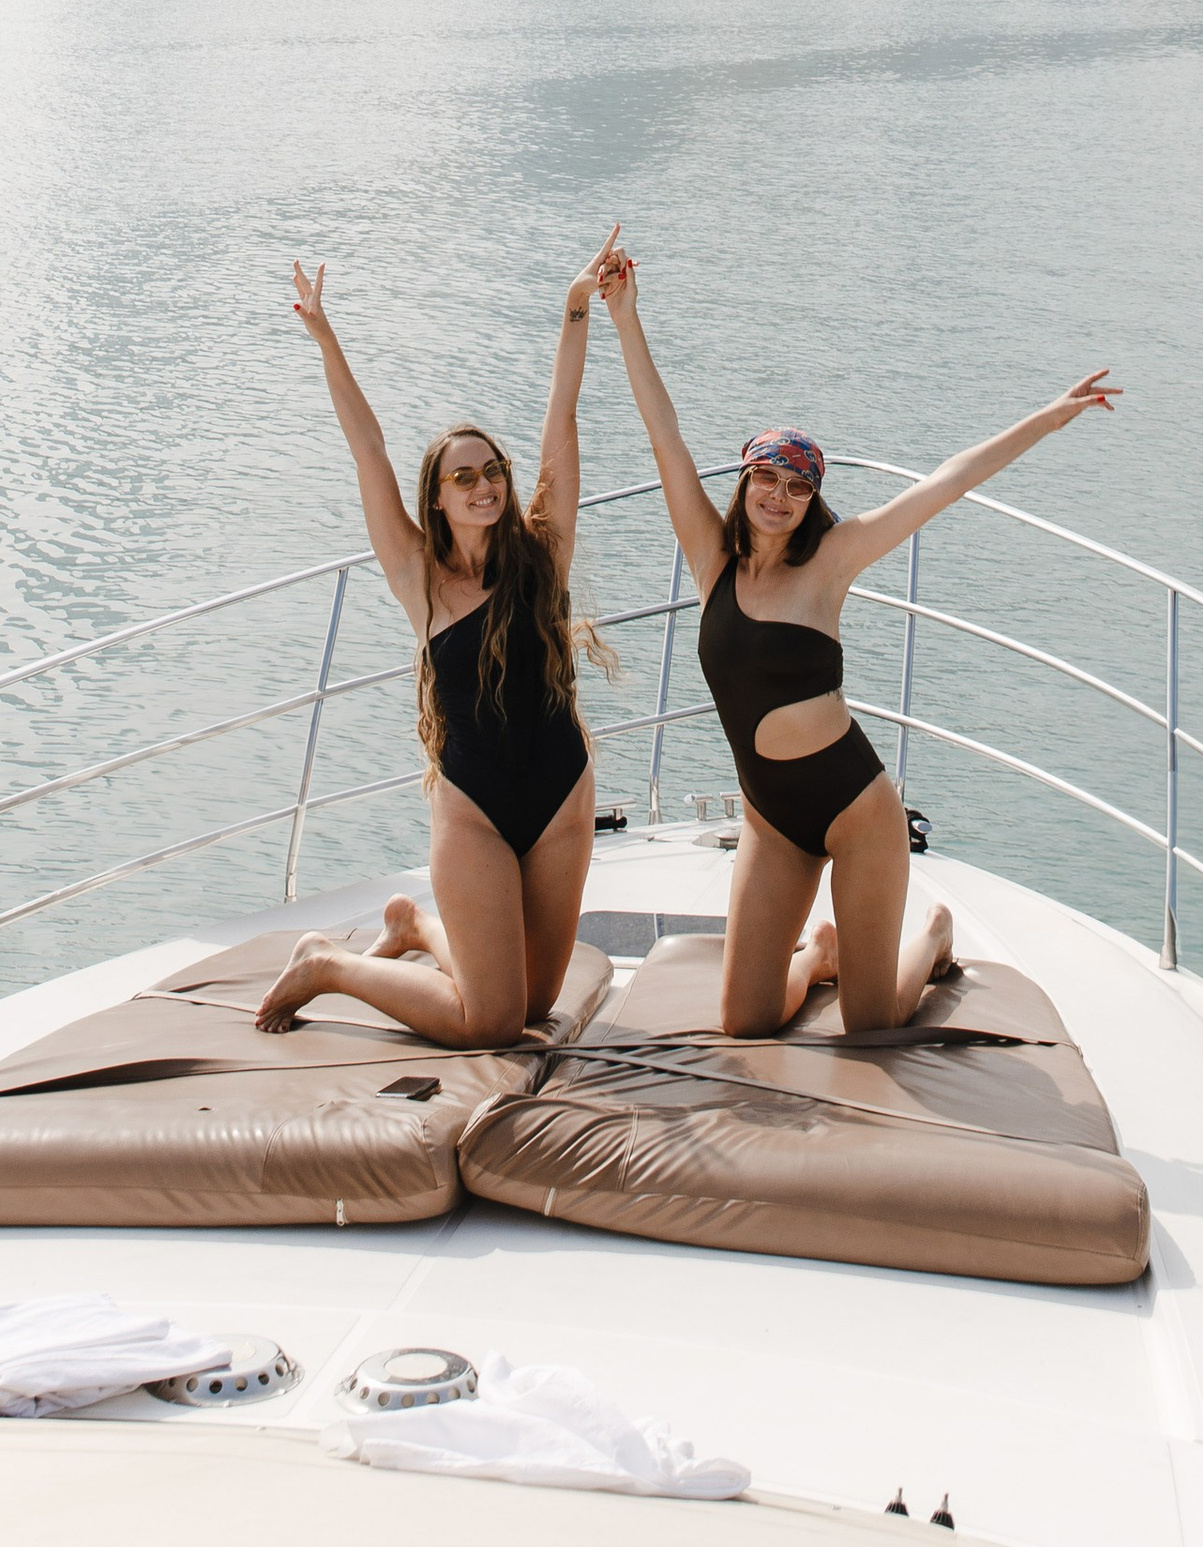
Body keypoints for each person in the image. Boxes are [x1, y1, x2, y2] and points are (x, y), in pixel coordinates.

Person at [598, 254, 1118, 1037]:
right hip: (771, 820)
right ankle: (818, 957)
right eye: (766, 478)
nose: (779, 497)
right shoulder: (712, 560)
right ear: (743, 481)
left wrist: (1048, 416)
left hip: (854, 810)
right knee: (742, 1020)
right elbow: (664, 434)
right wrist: (624, 316)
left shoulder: (832, 561)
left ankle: (934, 938)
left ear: (813, 501)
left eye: (798, 486)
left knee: (873, 1024)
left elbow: (946, 481)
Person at [255, 233, 621, 1044]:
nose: (484, 483)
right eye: (464, 476)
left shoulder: (543, 552)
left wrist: (574, 305)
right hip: (476, 811)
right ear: (438, 496)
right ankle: (331, 962)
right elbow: (368, 445)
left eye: (491, 469)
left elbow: (562, 413)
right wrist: (326, 337)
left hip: (562, 796)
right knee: (491, 1021)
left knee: (532, 1008)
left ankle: (417, 928)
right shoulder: (418, 576)